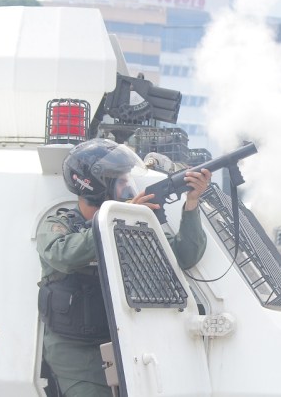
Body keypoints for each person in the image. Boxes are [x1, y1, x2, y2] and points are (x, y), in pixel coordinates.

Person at [36, 138, 211, 397]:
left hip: (124, 345)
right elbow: (62, 254)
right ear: (95, 186)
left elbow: (183, 255)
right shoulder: (61, 225)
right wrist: (116, 219)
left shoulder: (129, 222)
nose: (127, 187)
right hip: (75, 354)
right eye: (119, 180)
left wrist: (192, 203)